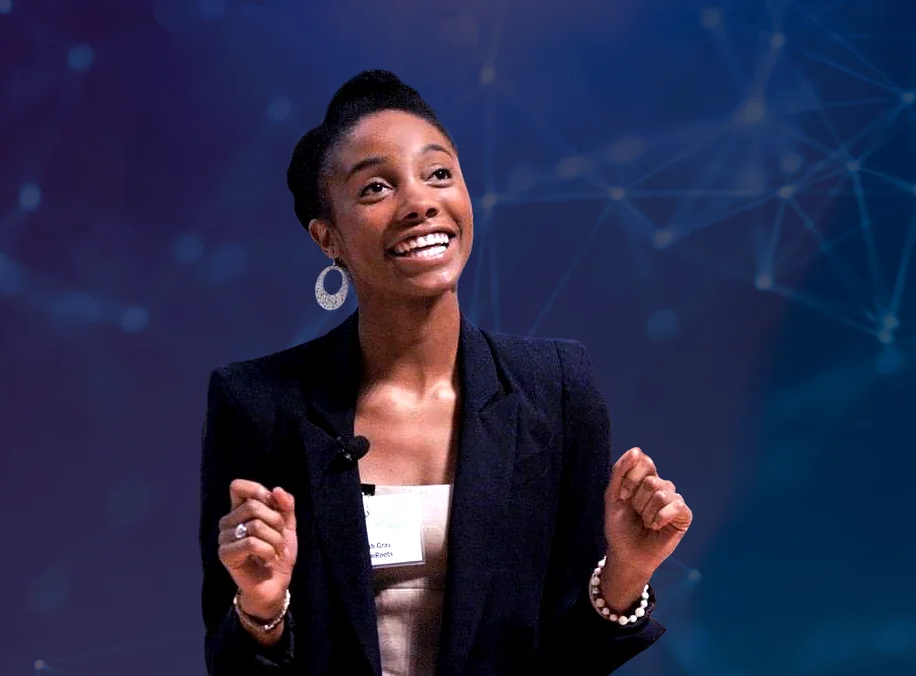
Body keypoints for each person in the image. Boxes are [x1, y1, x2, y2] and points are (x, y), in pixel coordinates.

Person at [199, 69, 693, 676]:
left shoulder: (557, 388)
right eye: (377, 188)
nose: (419, 203)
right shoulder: (256, 403)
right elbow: (229, 663)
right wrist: (262, 608)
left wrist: (628, 570)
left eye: (439, 174)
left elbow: (571, 662)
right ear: (328, 238)